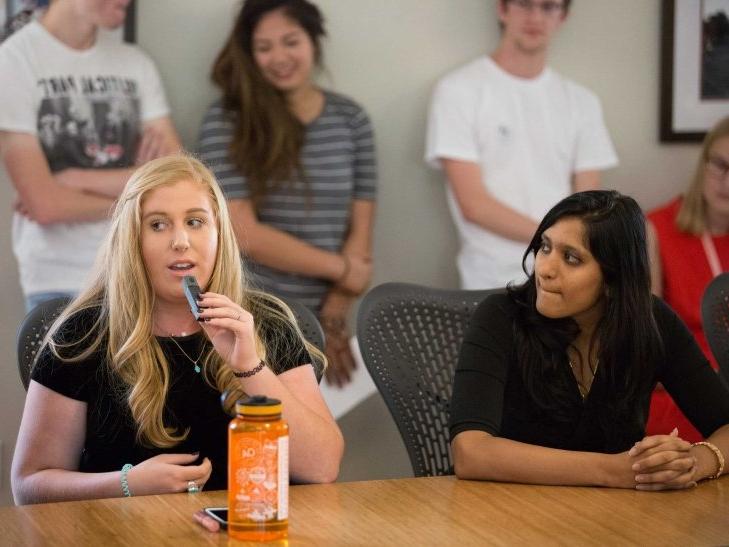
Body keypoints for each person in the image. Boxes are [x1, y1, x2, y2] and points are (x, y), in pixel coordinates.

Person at [11, 154, 344, 505]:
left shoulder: (266, 324)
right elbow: (30, 486)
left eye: (195, 222)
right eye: (158, 225)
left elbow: (322, 468)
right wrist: (126, 484)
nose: (180, 241)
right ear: (132, 240)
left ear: (218, 232)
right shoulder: (82, 336)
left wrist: (249, 365)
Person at [450, 190, 729, 489]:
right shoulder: (500, 316)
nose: (544, 269)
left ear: (614, 279)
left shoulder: (651, 321)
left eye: (571, 258)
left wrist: (693, 463)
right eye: (545, 247)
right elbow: (470, 451)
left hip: (609, 519)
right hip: (502, 513)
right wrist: (614, 471)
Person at [197, 0, 376, 387]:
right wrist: (344, 272)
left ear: (313, 41)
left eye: (290, 41)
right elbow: (242, 230)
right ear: (250, 54)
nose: (279, 57)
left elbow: (359, 233)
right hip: (247, 316)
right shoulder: (226, 121)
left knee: (311, 443)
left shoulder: (351, 120)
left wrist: (333, 312)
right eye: (264, 48)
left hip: (328, 316)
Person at [0, 0, 180, 311]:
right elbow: (45, 206)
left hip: (138, 273)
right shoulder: (13, 62)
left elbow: (174, 182)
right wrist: (139, 194)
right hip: (58, 282)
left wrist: (73, 179)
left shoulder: (135, 64)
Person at [425, 0, 617, 290]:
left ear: (562, 15)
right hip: (489, 283)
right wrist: (559, 238)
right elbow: (474, 205)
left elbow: (589, 206)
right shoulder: (458, 90)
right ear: (502, 9)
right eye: (524, 4)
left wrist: (562, 247)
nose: (535, 17)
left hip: (565, 282)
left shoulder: (582, 102)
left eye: (548, 6)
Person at [646, 116, 729, 443]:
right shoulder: (658, 228)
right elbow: (643, 339)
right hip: (685, 390)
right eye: (719, 165)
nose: (726, 180)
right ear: (702, 165)